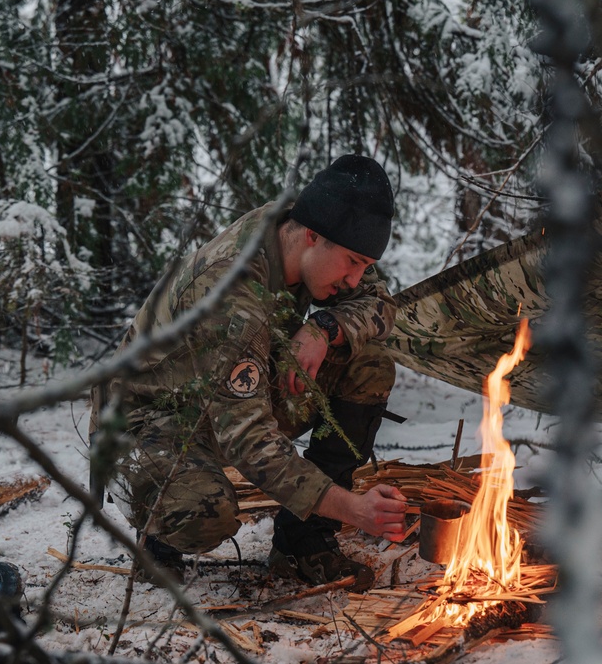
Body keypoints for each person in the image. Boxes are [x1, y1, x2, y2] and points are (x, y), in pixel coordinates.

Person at [88, 155, 408, 591]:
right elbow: (249, 441)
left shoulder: (306, 229)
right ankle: (157, 532)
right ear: (313, 237)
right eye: (352, 263)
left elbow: (383, 306)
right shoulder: (231, 288)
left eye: (365, 266)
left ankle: (303, 537)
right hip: (148, 419)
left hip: (224, 394)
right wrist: (354, 510)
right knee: (205, 513)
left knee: (369, 364)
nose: (355, 280)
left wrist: (324, 328)